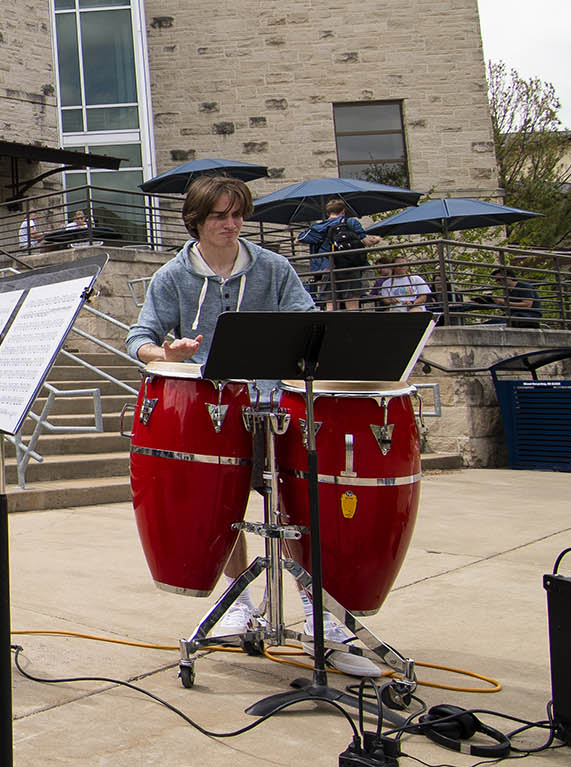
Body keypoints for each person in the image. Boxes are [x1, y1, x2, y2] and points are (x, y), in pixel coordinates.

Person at [125, 176, 379, 677]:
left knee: (293, 502)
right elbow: (138, 339)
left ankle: (317, 617)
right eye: (219, 215)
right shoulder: (171, 277)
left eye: (237, 214)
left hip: (275, 403)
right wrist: (165, 355)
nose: (230, 223)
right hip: (211, 409)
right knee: (222, 507)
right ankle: (238, 601)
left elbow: (309, 328)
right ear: (196, 220)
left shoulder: (273, 267)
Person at [297, 200, 383, 310]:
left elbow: (299, 239)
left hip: (328, 268)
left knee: (331, 303)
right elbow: (366, 241)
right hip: (350, 266)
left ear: (328, 213)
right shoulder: (350, 222)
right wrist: (377, 239)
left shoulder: (319, 227)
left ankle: (332, 326)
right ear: (343, 211)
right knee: (352, 303)